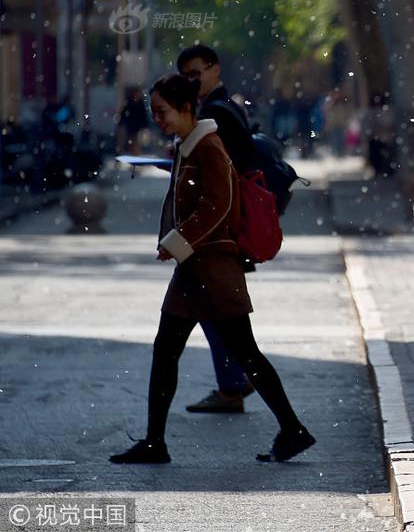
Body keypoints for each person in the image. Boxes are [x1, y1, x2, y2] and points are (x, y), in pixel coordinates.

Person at [109, 74, 314, 464]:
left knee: (245, 353)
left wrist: (177, 241)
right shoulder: (188, 146)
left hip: (215, 270)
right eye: (154, 111)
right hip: (195, 270)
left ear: (187, 109)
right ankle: (155, 441)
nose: (157, 119)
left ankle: (292, 428)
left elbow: (218, 205)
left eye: (163, 111)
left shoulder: (208, 147)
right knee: (166, 351)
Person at [176, 44, 257, 413]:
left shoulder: (214, 114)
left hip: (216, 230)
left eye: (197, 73)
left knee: (218, 313)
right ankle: (236, 384)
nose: (192, 81)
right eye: (186, 76)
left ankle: (240, 384)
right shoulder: (224, 108)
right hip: (223, 226)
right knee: (217, 311)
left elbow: (221, 178)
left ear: (215, 69)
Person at [115, 87, 149, 155]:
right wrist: (121, 122)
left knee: (135, 142)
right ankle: (132, 154)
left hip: (137, 127)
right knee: (130, 141)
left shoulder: (140, 103)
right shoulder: (130, 103)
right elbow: (124, 113)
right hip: (131, 126)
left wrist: (145, 125)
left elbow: (143, 115)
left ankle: (135, 154)